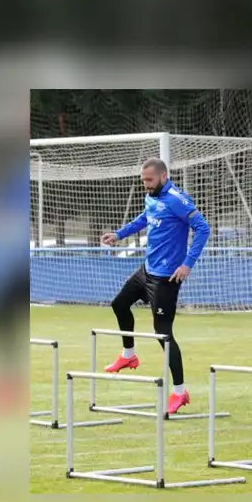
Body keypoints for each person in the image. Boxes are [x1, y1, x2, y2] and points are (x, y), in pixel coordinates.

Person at [100, 158, 210, 415]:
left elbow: (203, 229)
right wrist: (119, 234)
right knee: (119, 304)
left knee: (163, 334)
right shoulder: (151, 197)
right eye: (143, 181)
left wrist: (187, 264)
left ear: (163, 176)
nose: (145, 185)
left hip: (167, 278)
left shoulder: (177, 199)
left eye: (149, 180)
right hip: (146, 270)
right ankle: (129, 355)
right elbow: (144, 218)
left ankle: (180, 392)